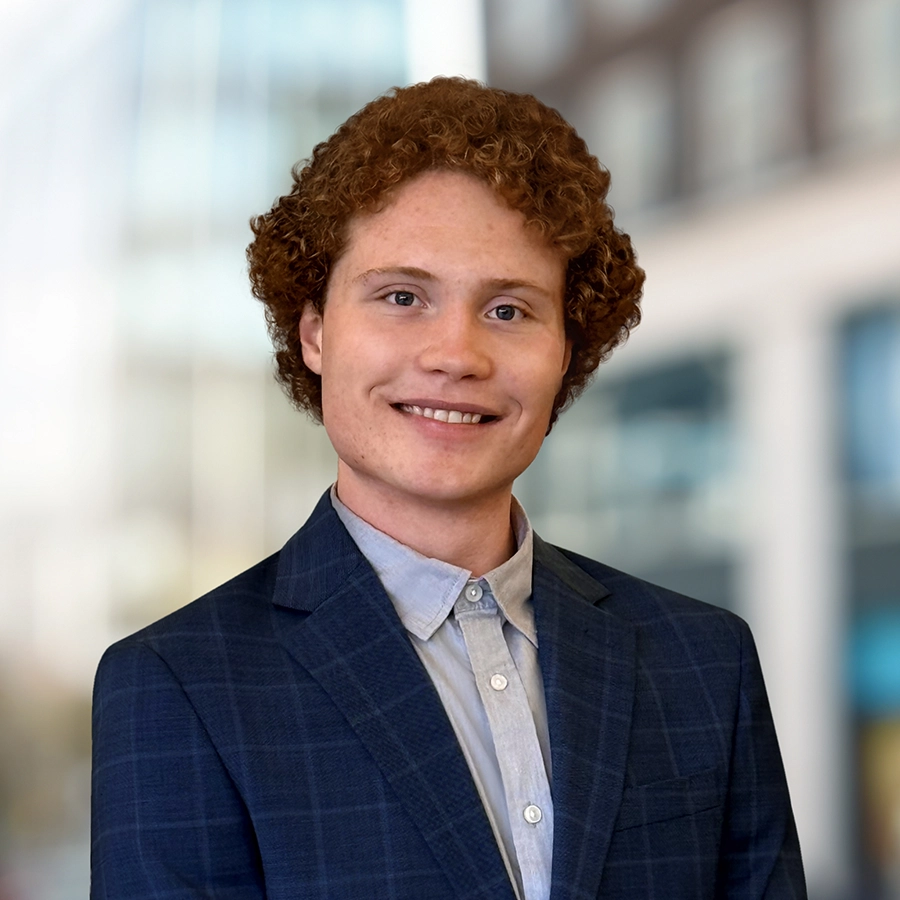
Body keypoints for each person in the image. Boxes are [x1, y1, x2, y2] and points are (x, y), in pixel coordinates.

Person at [90, 77, 806, 899]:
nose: (457, 355)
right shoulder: (178, 684)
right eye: (402, 297)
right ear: (315, 332)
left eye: (508, 311)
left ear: (566, 352)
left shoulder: (704, 660)